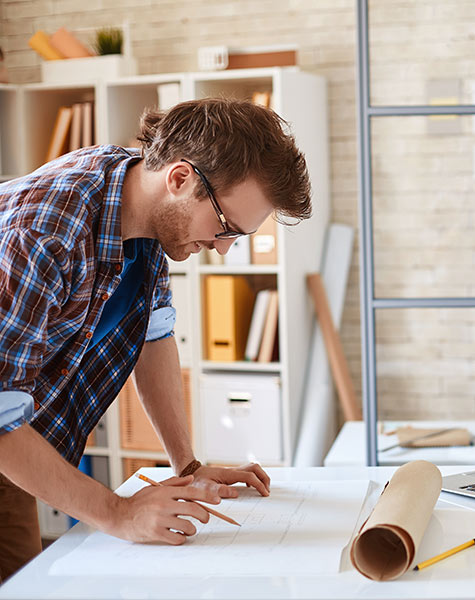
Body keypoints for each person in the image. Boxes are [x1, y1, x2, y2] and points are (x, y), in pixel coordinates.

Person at [0, 97, 312, 581]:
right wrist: (118, 512)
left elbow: (154, 336)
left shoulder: (139, 209)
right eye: (225, 227)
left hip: (18, 440)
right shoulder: (46, 231)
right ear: (181, 179)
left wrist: (186, 467)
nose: (223, 249)